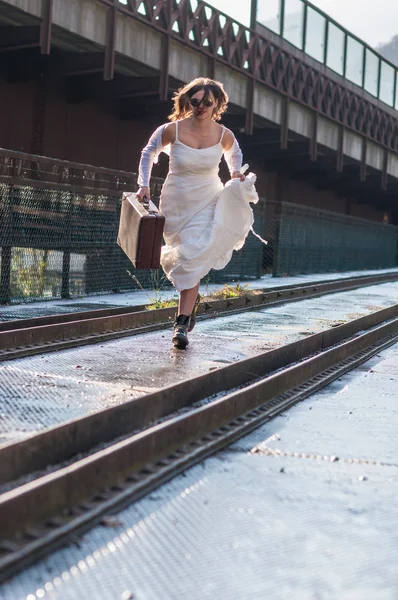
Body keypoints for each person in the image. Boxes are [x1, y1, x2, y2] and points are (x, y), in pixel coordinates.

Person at [136, 77, 260, 350]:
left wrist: (237, 174)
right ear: (187, 101)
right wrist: (143, 184)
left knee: (192, 257)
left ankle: (180, 325)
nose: (200, 106)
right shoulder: (172, 130)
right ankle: (189, 307)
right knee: (182, 260)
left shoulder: (224, 135)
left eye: (207, 102)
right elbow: (148, 153)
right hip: (176, 203)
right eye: (195, 101)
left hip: (208, 201)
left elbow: (234, 157)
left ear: (217, 105)